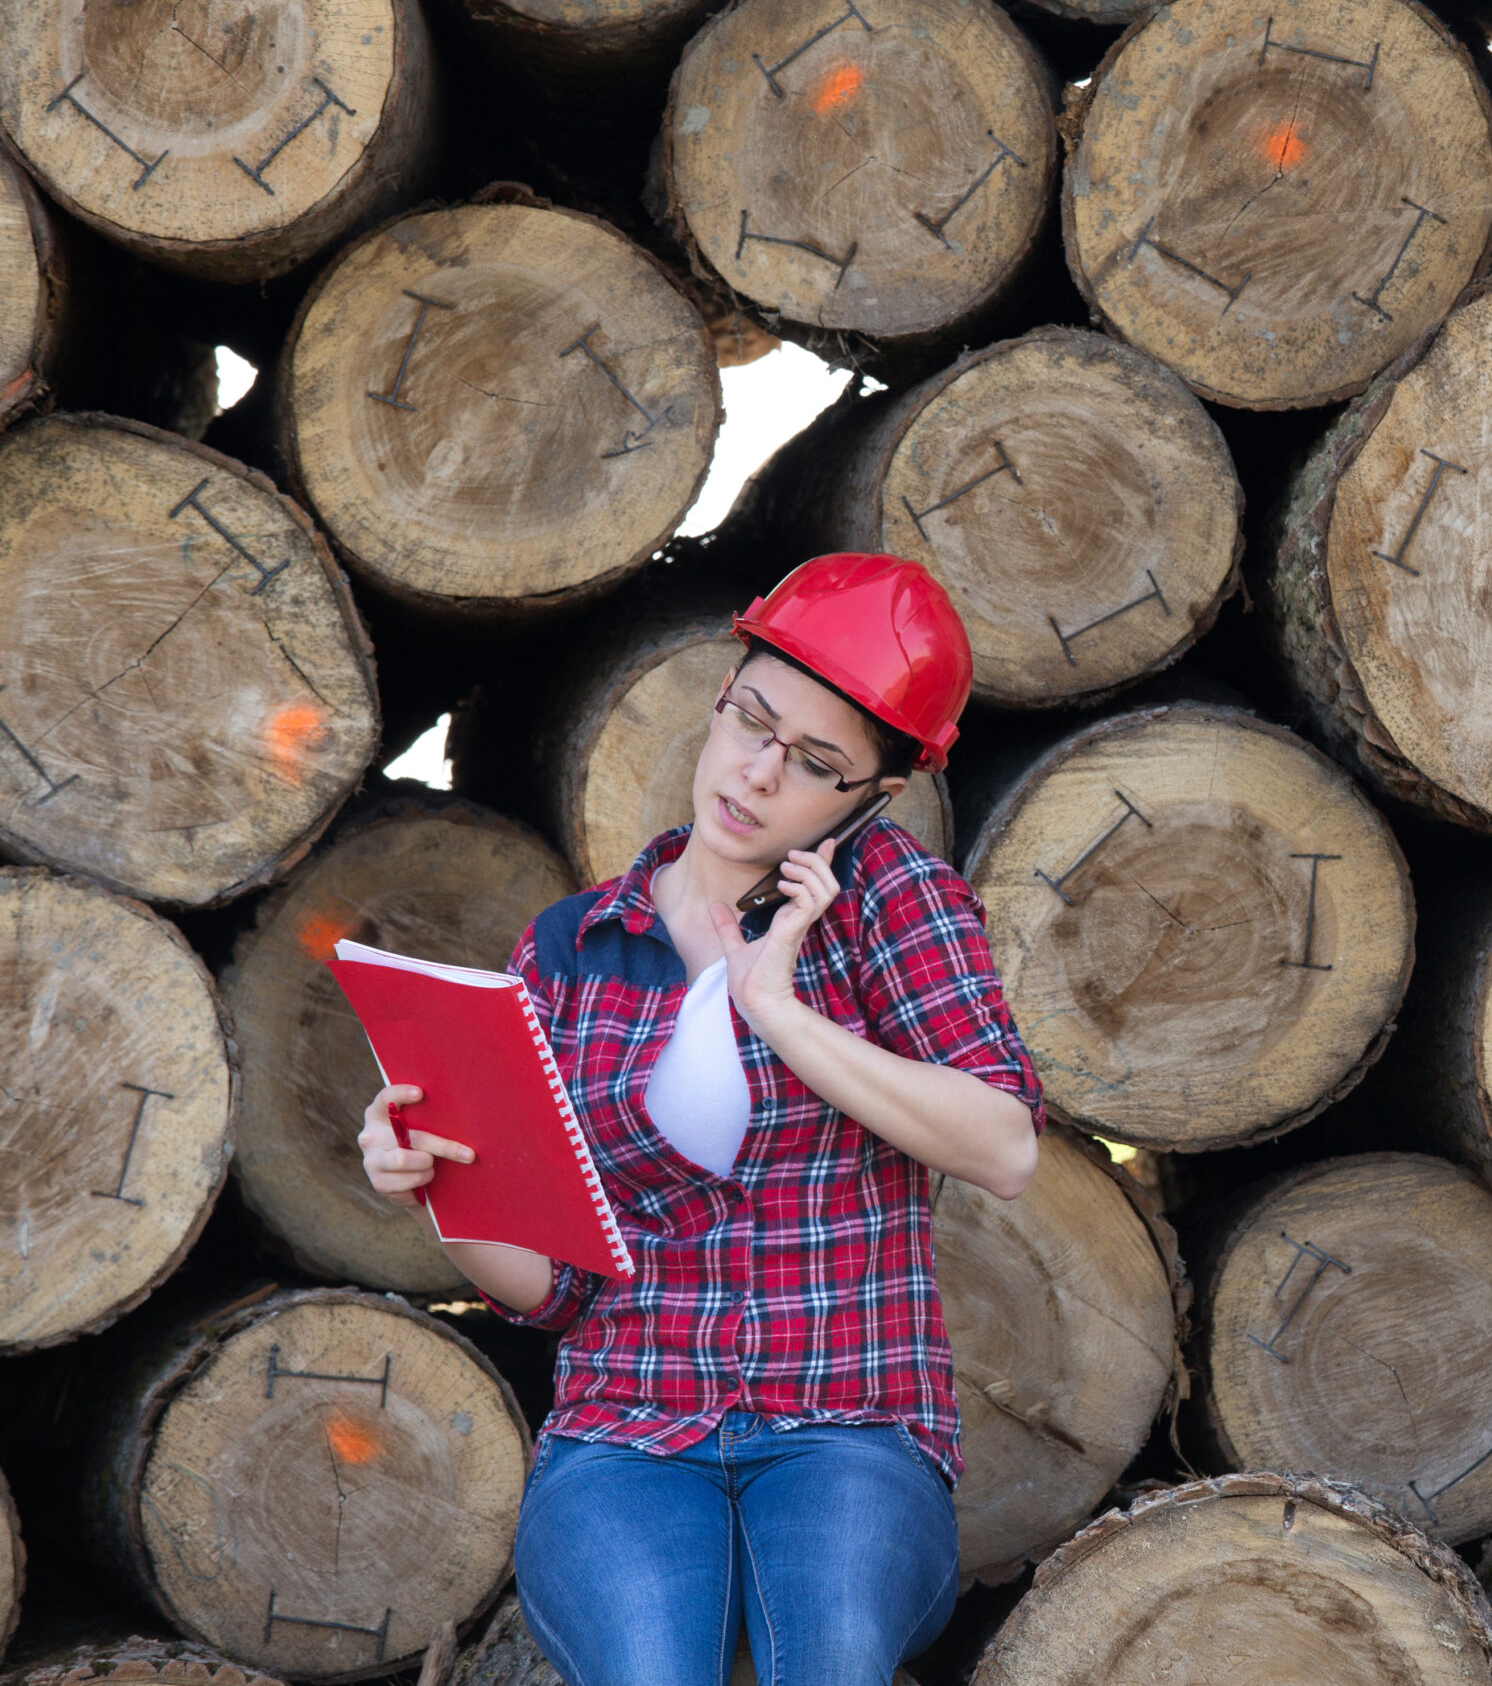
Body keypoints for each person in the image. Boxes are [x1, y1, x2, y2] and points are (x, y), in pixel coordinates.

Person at [356, 555, 1043, 1686]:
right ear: (722, 698)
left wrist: (775, 1007)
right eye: (752, 723)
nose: (759, 774)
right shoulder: (573, 948)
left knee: (828, 1659)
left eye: (815, 764)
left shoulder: (891, 903)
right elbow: (561, 1286)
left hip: (848, 1427)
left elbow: (1003, 1146)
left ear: (872, 795)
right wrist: (441, 1187)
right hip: (627, 1429)